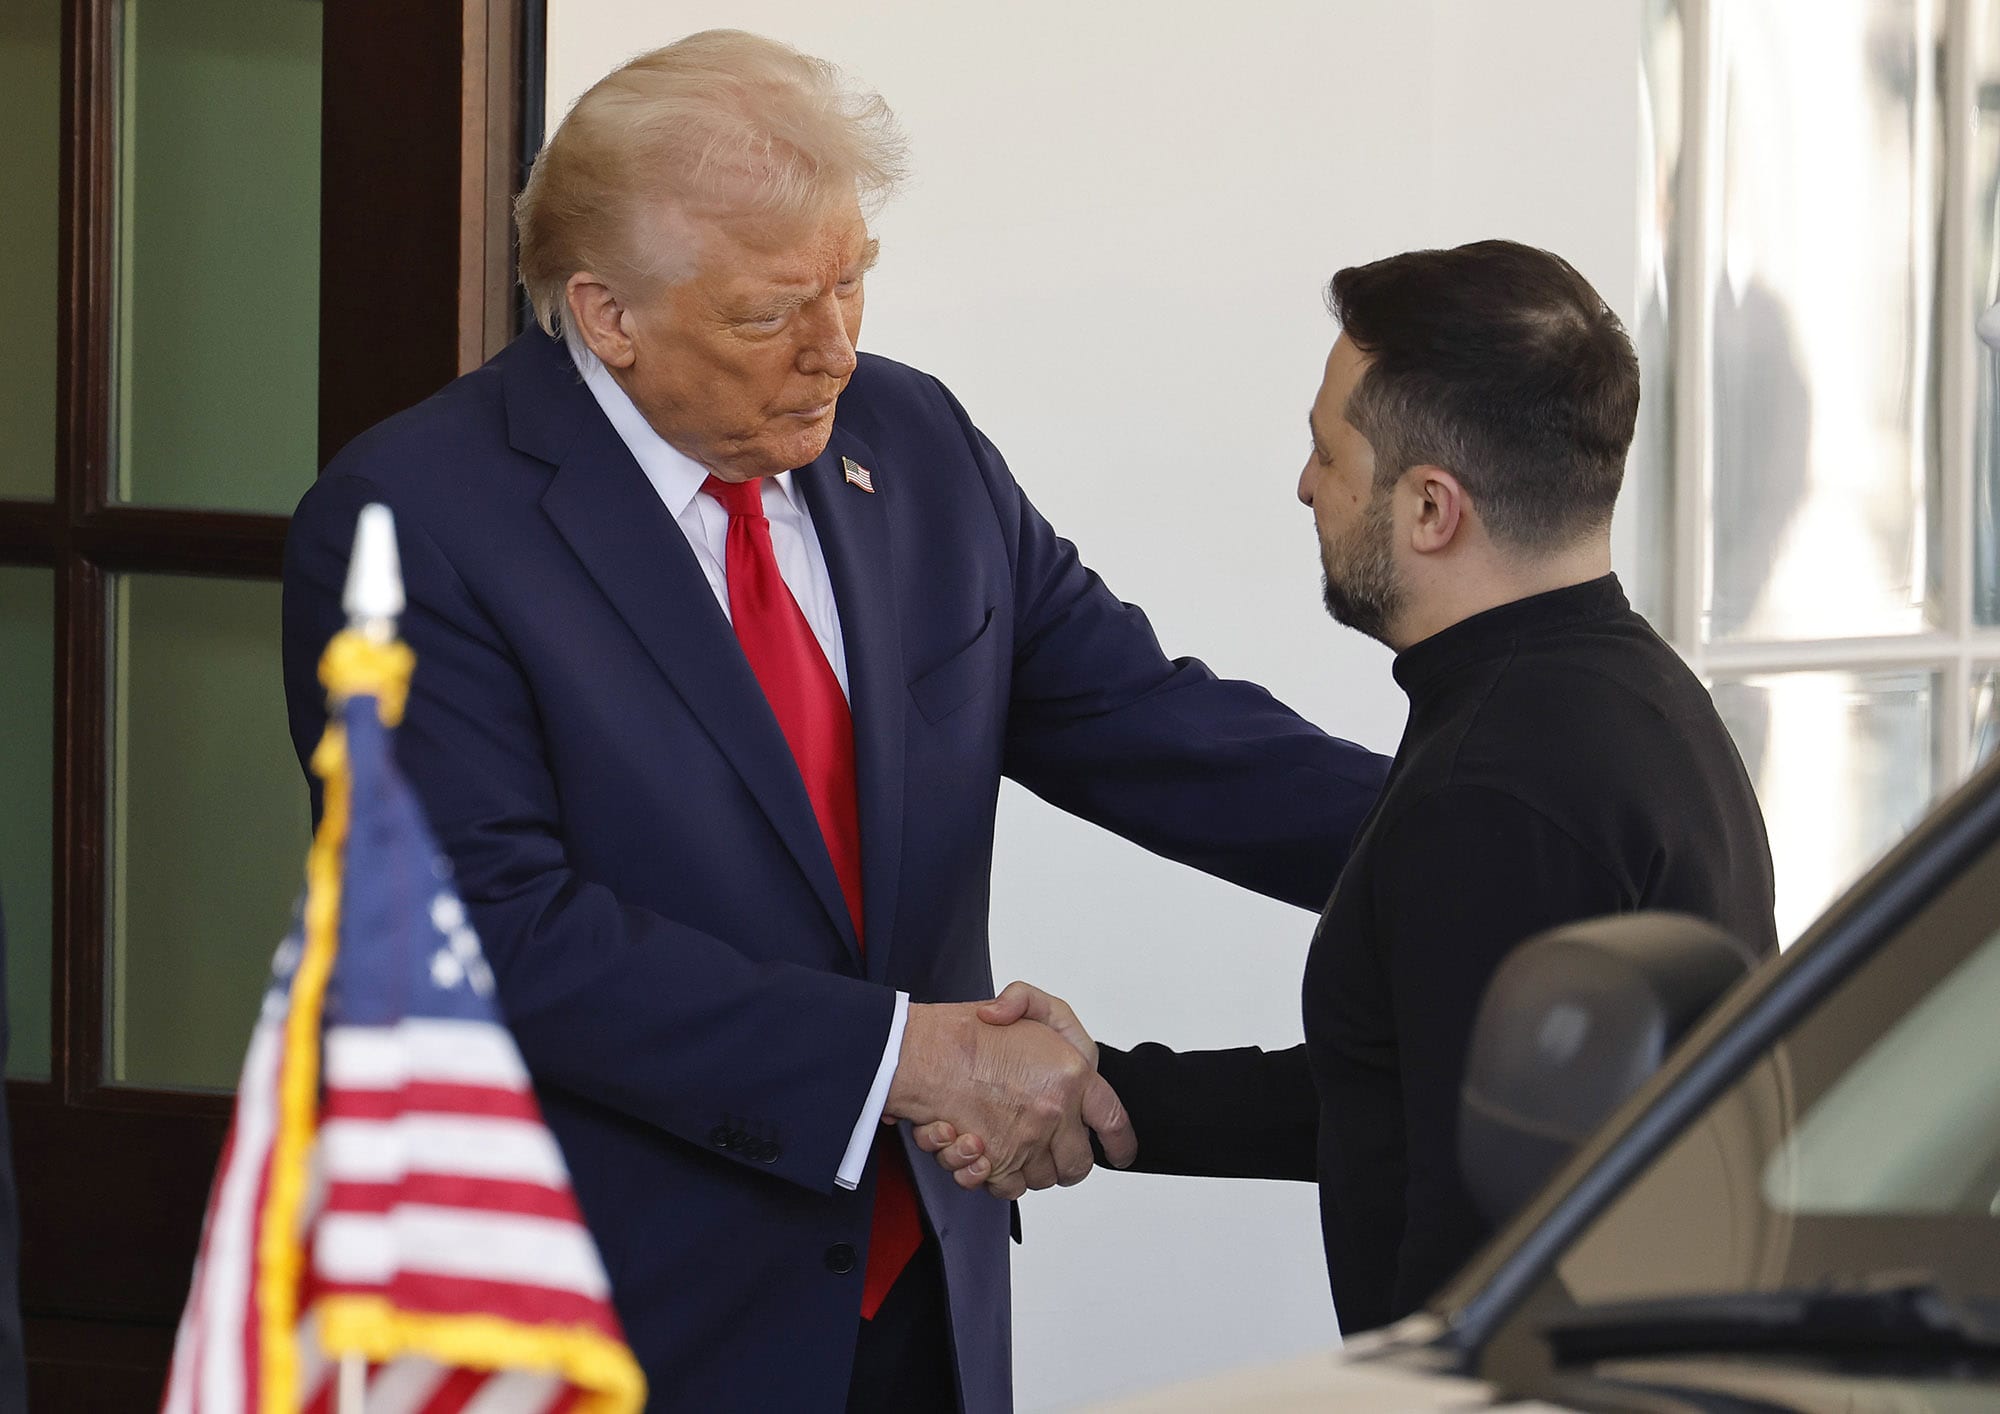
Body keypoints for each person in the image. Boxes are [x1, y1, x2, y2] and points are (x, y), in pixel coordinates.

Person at [279, 30, 1388, 1413]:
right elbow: (492, 935)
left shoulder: (914, 444)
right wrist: (912, 1057)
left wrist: (1487, 832)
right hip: (612, 1314)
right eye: (771, 312)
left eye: (855, 281)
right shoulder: (417, 524)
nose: (834, 348)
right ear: (606, 313)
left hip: (918, 1282)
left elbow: (1144, 720)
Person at [921, 240, 1778, 1336]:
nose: (1303, 485)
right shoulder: (1630, 693)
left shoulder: (1489, 793)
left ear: (1431, 509)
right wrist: (1106, 1092)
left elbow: (1475, 1273)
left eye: (1327, 452)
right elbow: (1421, 1093)